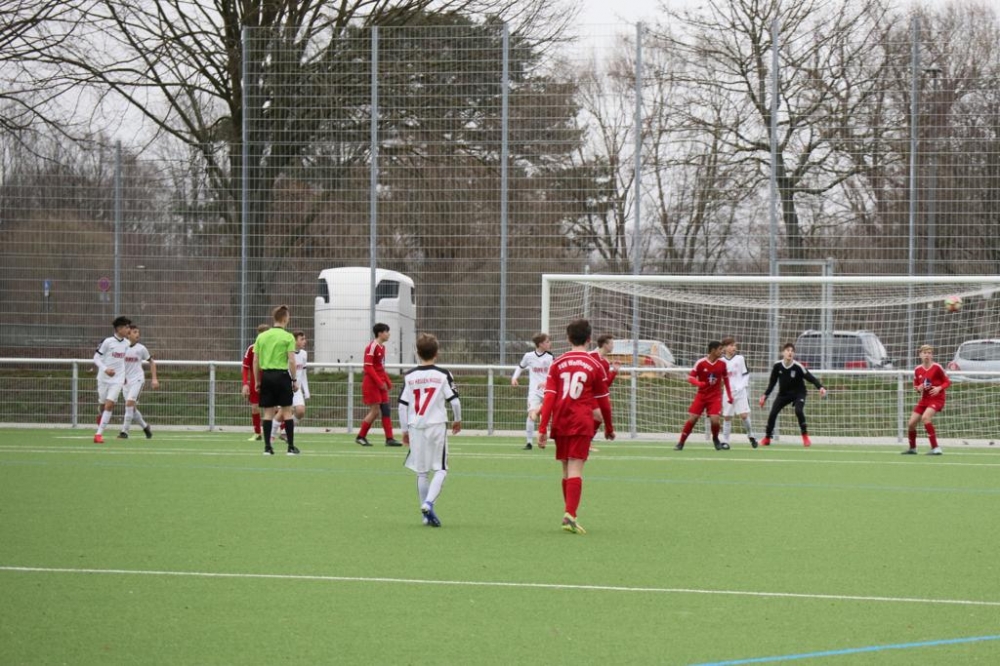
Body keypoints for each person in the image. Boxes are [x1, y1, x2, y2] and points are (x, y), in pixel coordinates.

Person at [537, 319, 614, 535]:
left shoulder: (557, 363)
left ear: (568, 338)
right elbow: (604, 402)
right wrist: (609, 427)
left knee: (566, 468)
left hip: (560, 420)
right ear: (589, 339)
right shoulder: (595, 365)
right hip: (581, 421)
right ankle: (570, 515)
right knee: (575, 468)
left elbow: (549, 397)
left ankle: (570, 513)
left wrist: (542, 428)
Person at [398, 333, 462, 527]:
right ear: (437, 353)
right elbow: (454, 401)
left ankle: (425, 516)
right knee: (441, 468)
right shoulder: (443, 374)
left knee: (422, 472)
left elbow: (402, 405)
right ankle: (428, 503)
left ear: (417, 353)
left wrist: (404, 431)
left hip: (415, 426)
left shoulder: (409, 376)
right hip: (436, 425)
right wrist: (457, 420)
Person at [252, 305, 300, 456]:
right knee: (287, 412)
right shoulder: (288, 337)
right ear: (285, 318)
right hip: (282, 376)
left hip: (267, 376)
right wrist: (294, 379)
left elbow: (255, 360)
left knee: (268, 413)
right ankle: (290, 447)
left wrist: (257, 380)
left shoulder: (262, 337)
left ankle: (267, 447)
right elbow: (291, 360)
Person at [758, 343, 827, 447]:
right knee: (773, 413)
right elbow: (772, 383)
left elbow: (811, 378)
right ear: (783, 352)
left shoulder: (798, 367)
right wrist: (765, 396)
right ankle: (767, 438)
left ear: (794, 354)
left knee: (798, 411)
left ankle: (805, 436)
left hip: (799, 393)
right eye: (788, 350)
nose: (790, 353)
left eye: (792, 351)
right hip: (783, 394)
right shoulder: (777, 366)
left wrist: (820, 387)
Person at [674, 341, 733, 451]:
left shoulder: (722, 364)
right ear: (713, 350)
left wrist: (730, 396)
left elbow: (726, 380)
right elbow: (690, 377)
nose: (722, 351)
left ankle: (715, 439)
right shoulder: (700, 363)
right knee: (693, 418)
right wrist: (699, 383)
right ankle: (681, 442)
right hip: (701, 396)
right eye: (720, 349)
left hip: (715, 396)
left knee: (715, 419)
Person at [356, 323, 402, 447]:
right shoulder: (372, 347)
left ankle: (389, 439)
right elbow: (368, 367)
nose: (389, 334)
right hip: (372, 383)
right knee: (375, 411)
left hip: (380, 383)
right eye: (387, 332)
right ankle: (360, 436)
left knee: (386, 409)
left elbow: (380, 367)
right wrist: (380, 382)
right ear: (380, 333)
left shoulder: (382, 347)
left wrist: (387, 381)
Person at [903, 344, 950, 455]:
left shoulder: (937, 367)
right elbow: (916, 385)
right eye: (924, 353)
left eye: (929, 353)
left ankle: (936, 448)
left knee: (925, 417)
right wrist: (918, 388)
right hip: (924, 400)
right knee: (911, 423)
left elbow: (947, 382)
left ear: (932, 355)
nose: (927, 355)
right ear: (920, 354)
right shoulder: (918, 369)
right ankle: (912, 449)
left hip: (937, 398)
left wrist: (939, 388)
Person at [93, 316, 132, 444]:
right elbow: (96, 358)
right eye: (126, 327)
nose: (128, 330)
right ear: (119, 329)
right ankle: (101, 415)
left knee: (110, 404)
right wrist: (105, 369)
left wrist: (125, 376)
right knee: (103, 404)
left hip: (118, 379)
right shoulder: (107, 342)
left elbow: (125, 362)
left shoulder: (127, 344)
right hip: (103, 378)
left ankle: (98, 434)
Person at [512, 332, 553, 450]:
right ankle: (529, 442)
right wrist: (514, 378)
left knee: (546, 417)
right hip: (534, 391)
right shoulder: (528, 356)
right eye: (547, 342)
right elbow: (520, 367)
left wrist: (547, 382)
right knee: (531, 416)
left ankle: (542, 440)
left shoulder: (550, 357)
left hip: (547, 391)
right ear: (540, 344)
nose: (549, 344)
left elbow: (553, 373)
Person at [118, 325, 158, 439]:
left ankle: (124, 432)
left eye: (138, 332)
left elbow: (152, 362)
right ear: (128, 334)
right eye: (134, 332)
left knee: (129, 404)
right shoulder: (121, 348)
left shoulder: (141, 348)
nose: (137, 334)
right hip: (125, 382)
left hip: (137, 380)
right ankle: (145, 427)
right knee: (132, 408)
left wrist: (154, 378)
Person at [720, 336, 758, 449]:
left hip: (740, 392)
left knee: (744, 415)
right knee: (727, 417)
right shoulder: (721, 361)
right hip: (728, 393)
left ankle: (751, 435)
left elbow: (746, 375)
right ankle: (725, 441)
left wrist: (741, 386)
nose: (734, 347)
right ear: (724, 348)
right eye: (731, 345)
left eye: (734, 345)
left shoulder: (740, 358)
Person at [278, 331, 310, 441]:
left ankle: (284, 432)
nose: (305, 341)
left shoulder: (304, 354)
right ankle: (270, 435)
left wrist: (306, 390)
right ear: (294, 341)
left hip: (297, 388)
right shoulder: (287, 353)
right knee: (280, 413)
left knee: (300, 411)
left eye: (304, 339)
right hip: (285, 387)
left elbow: (303, 373)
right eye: (302, 339)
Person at [241, 324, 270, 441]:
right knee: (255, 407)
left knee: (274, 408)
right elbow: (245, 367)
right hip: (255, 383)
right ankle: (257, 433)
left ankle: (280, 431)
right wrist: (245, 383)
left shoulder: (272, 348)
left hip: (270, 380)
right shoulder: (252, 348)